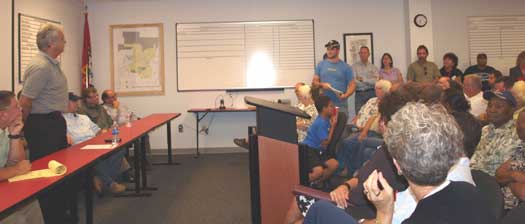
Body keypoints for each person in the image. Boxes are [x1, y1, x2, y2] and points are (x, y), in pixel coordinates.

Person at [305, 102, 494, 224]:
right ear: (451, 154)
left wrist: (384, 213)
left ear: (397, 166)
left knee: (319, 209)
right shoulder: (473, 193)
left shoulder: (418, 218)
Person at [18, 23, 73, 223]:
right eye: (62, 39)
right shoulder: (40, 66)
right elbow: (25, 102)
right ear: (51, 42)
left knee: (59, 169)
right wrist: (21, 131)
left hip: (54, 122)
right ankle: (50, 216)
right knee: (46, 172)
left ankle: (59, 213)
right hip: (42, 126)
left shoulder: (52, 64)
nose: (65, 42)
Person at [63, 92, 127, 194]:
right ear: (64, 103)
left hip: (94, 142)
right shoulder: (62, 120)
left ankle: (101, 180)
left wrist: (106, 134)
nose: (77, 104)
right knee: (94, 156)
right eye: (74, 101)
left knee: (119, 149)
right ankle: (110, 184)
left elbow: (98, 131)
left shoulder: (83, 117)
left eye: (77, 101)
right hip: (79, 148)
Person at [0, 91, 44, 224]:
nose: (21, 109)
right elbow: (18, 168)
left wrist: (14, 135)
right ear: (3, 114)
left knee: (31, 203)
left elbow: (18, 162)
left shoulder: (6, 130)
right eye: (16, 107)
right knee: (15, 219)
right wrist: (15, 170)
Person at [339, 80, 391, 175]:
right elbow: (361, 112)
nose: (376, 90)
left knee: (347, 142)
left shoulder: (385, 104)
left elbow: (374, 119)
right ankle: (344, 167)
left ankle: (348, 170)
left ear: (385, 90)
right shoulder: (371, 100)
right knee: (341, 137)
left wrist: (364, 131)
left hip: (369, 130)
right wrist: (355, 120)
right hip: (356, 127)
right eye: (375, 88)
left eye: (379, 88)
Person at [470, 91, 521, 176]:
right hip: (474, 179)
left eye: (498, 106)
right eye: (489, 105)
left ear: (512, 110)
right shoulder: (485, 130)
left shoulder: (518, 134)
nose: (492, 110)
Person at [301, 95, 338, 185]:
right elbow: (325, 143)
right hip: (309, 150)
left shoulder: (325, 120)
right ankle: (302, 185)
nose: (333, 108)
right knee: (318, 171)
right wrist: (333, 126)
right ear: (324, 109)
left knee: (334, 164)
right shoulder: (321, 122)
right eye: (331, 106)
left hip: (317, 151)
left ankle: (314, 184)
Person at [312, 40, 356, 117]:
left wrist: (345, 95)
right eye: (328, 49)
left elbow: (352, 85)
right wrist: (322, 84)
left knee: (340, 127)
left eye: (332, 49)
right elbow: (314, 82)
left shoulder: (346, 67)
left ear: (338, 50)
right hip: (324, 105)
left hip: (340, 104)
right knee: (324, 128)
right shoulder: (321, 65)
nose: (329, 51)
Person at [496, 110, 525, 210]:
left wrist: (509, 180)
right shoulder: (522, 146)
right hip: (501, 204)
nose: (519, 126)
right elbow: (499, 174)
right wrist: (514, 175)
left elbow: (523, 193)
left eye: (523, 122)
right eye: (518, 121)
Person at [353, 46, 379, 114]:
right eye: (361, 53)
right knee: (359, 115)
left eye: (365, 53)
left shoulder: (373, 67)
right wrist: (370, 80)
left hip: (371, 93)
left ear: (369, 54)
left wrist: (363, 79)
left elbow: (376, 81)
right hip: (359, 94)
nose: (363, 54)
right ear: (359, 54)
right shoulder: (354, 67)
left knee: (372, 115)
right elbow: (354, 81)